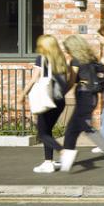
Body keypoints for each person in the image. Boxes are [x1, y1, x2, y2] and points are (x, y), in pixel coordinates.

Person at [58, 34, 104, 172]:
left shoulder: (75, 61)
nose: (67, 52)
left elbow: (72, 81)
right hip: (92, 97)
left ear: (73, 48)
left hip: (84, 96)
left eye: (67, 49)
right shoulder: (91, 59)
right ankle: (67, 158)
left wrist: (60, 93)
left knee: (86, 127)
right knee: (72, 129)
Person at [28, 34, 70, 174]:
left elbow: (34, 78)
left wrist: (23, 93)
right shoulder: (61, 59)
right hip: (59, 100)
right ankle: (49, 162)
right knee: (47, 131)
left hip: (46, 99)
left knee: (42, 132)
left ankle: (62, 152)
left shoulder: (42, 58)